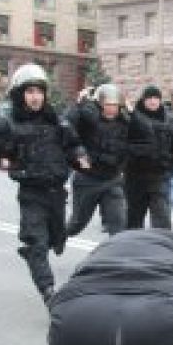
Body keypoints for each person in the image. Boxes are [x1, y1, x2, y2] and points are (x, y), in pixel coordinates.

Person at [0, 63, 89, 303]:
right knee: (37, 242)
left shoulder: (57, 123)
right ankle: (48, 291)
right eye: (30, 92)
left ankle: (33, 252)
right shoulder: (9, 125)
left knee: (56, 240)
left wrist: (80, 158)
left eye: (39, 91)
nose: (35, 97)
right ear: (20, 95)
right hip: (31, 193)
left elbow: (73, 146)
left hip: (57, 193)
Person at [66, 84, 128, 236]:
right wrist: (78, 105)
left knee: (119, 224)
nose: (111, 109)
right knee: (76, 224)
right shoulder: (88, 118)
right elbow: (67, 125)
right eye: (108, 105)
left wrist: (133, 113)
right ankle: (54, 240)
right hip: (88, 179)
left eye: (115, 105)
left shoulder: (125, 122)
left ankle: (116, 251)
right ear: (100, 105)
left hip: (112, 179)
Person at [126, 85, 173, 230]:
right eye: (149, 98)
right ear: (143, 100)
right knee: (134, 219)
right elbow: (121, 141)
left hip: (160, 175)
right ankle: (132, 243)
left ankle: (160, 243)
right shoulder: (131, 116)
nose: (153, 101)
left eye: (156, 98)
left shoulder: (169, 119)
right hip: (135, 176)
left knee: (162, 219)